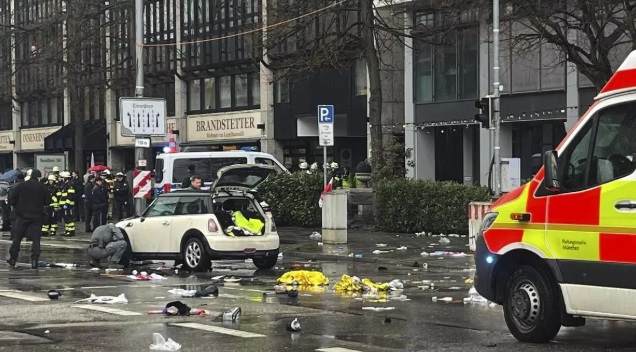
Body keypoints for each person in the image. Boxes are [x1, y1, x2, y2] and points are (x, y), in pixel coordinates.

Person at [7, 169, 52, 269]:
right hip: (37, 217)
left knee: (17, 238)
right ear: (37, 177)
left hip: (22, 216)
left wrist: (18, 207)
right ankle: (34, 260)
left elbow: (12, 199)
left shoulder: (21, 186)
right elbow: (48, 201)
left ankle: (13, 259)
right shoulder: (42, 187)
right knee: (36, 239)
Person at [57, 171, 76, 237]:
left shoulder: (70, 185)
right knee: (65, 218)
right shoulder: (64, 184)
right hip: (64, 204)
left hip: (68, 205)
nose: (61, 178)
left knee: (69, 218)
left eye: (62, 177)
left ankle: (71, 231)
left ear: (66, 178)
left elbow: (70, 195)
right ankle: (67, 231)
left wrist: (66, 204)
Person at [7, 170, 25, 240]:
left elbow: (10, 197)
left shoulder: (13, 186)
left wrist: (11, 204)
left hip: (15, 206)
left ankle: (13, 236)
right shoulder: (26, 185)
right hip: (25, 206)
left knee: (14, 221)